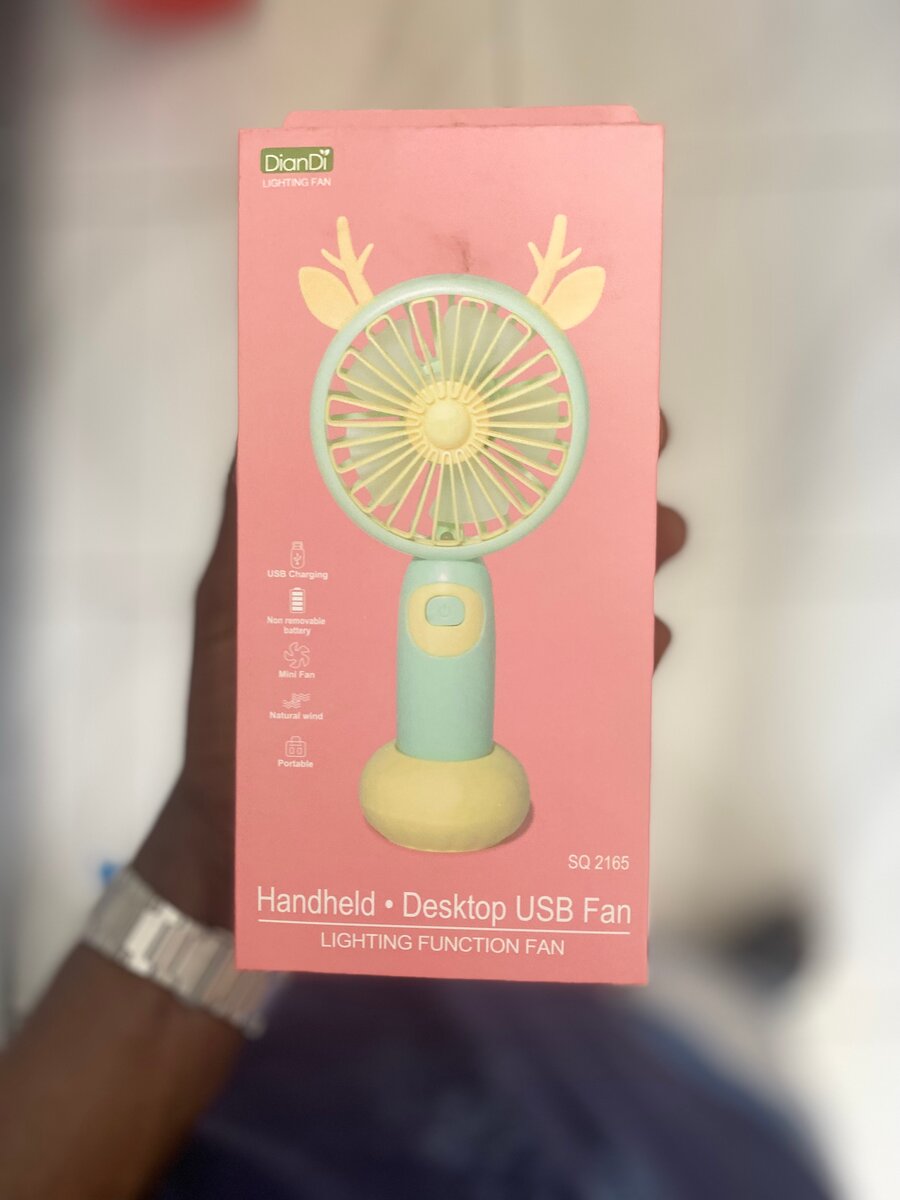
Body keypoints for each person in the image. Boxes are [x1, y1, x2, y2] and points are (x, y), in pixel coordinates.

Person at [0, 425, 831, 1198]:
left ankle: (683, 992)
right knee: (691, 1082)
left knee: (526, 1006)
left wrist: (214, 865)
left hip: (299, 1071)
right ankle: (720, 994)